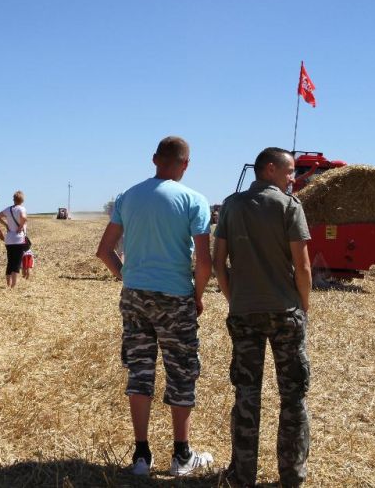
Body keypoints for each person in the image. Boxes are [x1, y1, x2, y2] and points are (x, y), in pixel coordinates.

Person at [96, 136, 213, 477]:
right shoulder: (194, 200)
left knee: (140, 371)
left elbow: (104, 251)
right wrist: (198, 294)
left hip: (135, 295)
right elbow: (204, 261)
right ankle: (181, 456)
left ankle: (141, 457)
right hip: (176, 297)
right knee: (181, 372)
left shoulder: (128, 197)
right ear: (186, 165)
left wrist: (127, 277)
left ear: (154, 159)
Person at [213, 147, 312, 488]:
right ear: (270, 169)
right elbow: (303, 266)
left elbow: (218, 262)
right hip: (285, 314)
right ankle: (292, 475)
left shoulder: (231, 205)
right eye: (290, 172)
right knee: (293, 397)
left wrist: (233, 299)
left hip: (244, 314)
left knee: (246, 395)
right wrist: (303, 305)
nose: (293, 179)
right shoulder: (289, 207)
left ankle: (242, 476)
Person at [0, 191, 27, 288]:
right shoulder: (21, 208)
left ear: (14, 199)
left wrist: (6, 225)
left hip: (9, 239)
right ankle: (13, 285)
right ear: (22, 200)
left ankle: (8, 283)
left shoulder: (8, 209)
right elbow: (24, 218)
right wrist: (20, 226)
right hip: (18, 239)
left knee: (10, 261)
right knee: (17, 262)